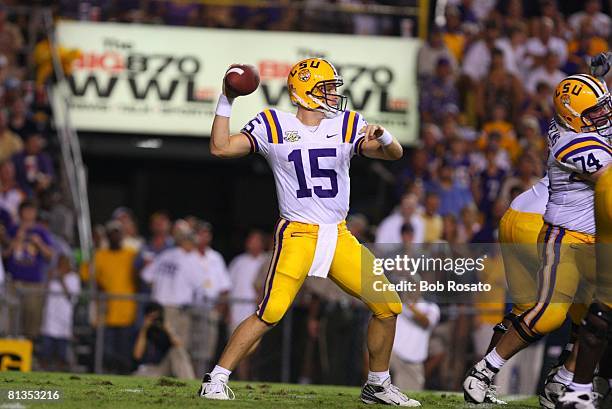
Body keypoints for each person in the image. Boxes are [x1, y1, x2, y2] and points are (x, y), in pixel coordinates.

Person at [199, 58, 418, 406]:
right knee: (270, 312)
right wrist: (227, 99)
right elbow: (220, 147)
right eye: (325, 88)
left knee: (388, 305)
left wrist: (385, 136)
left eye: (333, 87)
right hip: (297, 233)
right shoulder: (273, 124)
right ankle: (216, 378)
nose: (334, 94)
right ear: (303, 92)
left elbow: (394, 154)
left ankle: (377, 385)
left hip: (339, 234)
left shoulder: (346, 124)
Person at [463, 73, 612, 405]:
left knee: (594, 315)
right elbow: (607, 175)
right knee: (549, 312)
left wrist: (599, 79)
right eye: (595, 113)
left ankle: (564, 381)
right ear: (574, 116)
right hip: (562, 234)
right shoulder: (574, 143)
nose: (604, 117)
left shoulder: (580, 124)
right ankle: (486, 371)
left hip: (575, 235)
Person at [132, 302, 195, 379]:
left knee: (176, 350)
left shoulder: (165, 332)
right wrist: (144, 330)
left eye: (157, 317)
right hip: (148, 369)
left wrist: (168, 330)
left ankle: (188, 381)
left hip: (163, 368)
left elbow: (180, 347)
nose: (154, 320)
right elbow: (137, 356)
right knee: (139, 376)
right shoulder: (141, 332)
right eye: (151, 317)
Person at [39, 254, 80, 371]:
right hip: (50, 318)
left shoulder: (73, 278)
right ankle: (43, 371)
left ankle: (60, 373)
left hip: (64, 320)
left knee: (62, 353)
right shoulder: (52, 278)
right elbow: (43, 293)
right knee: (46, 351)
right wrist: (48, 278)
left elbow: (71, 297)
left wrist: (62, 280)